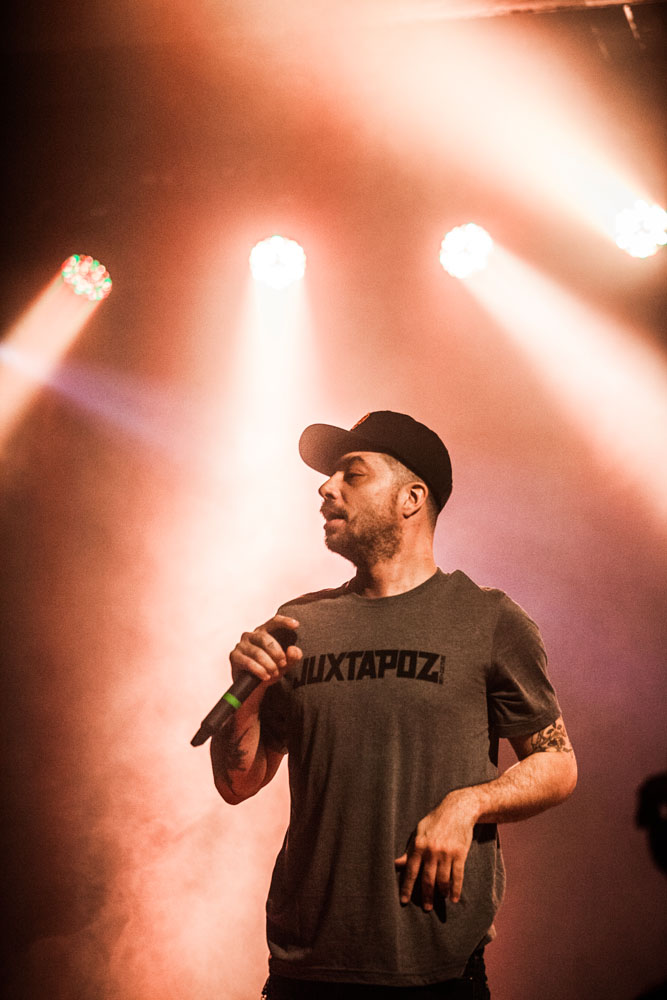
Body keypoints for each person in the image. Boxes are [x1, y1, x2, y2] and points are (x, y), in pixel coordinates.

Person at [211, 411, 577, 999]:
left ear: (412, 498)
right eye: (330, 477)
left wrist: (468, 804)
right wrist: (245, 695)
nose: (326, 488)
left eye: (351, 475)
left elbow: (557, 764)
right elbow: (239, 780)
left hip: (437, 973)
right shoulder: (298, 622)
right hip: (305, 972)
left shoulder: (488, 619)